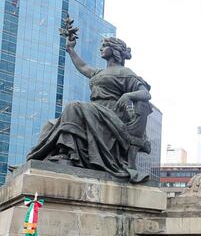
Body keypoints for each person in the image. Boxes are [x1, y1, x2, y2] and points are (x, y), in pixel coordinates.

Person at [26, 34, 153, 182]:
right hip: (93, 111)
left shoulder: (125, 73)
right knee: (49, 125)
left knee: (74, 106)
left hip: (111, 114)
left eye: (104, 46)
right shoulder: (99, 72)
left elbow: (145, 93)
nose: (101, 48)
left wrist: (129, 95)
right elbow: (83, 67)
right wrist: (70, 49)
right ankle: (42, 159)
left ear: (115, 50)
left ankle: (67, 152)